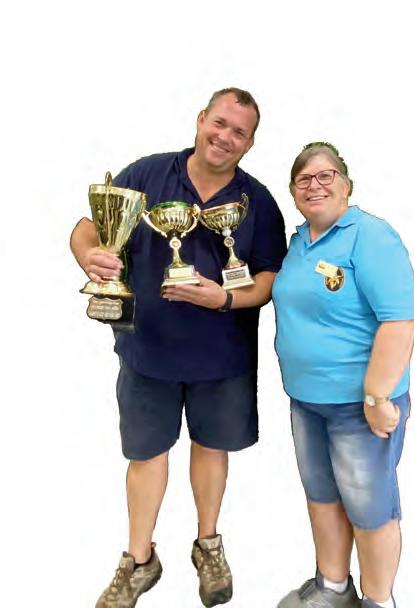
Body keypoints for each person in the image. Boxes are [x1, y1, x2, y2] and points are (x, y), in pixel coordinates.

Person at [70, 87, 287, 608]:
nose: (225, 137)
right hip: (148, 350)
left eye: (239, 132)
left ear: (250, 144)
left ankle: (207, 544)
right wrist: (89, 255)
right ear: (200, 119)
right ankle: (138, 559)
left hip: (223, 356)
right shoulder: (147, 174)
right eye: (220, 123)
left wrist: (223, 298)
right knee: (146, 455)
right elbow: (87, 227)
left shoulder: (257, 202)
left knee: (212, 449)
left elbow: (269, 279)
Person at [272, 142, 414, 608]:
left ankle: (378, 601)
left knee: (370, 509)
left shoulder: (370, 237)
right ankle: (333, 587)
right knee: (322, 497)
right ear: (294, 193)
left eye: (326, 175)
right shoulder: (299, 242)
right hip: (306, 400)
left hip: (360, 407)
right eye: (303, 179)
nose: (314, 185)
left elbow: (401, 319)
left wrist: (377, 396)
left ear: (347, 185)